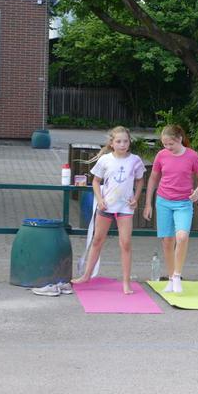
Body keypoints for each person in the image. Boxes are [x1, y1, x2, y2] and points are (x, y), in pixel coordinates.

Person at [70, 126, 145, 294]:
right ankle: (86, 275)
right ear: (112, 143)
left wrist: (136, 198)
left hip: (125, 207)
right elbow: (96, 181)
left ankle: (126, 282)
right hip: (106, 206)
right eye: (118, 141)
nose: (122, 144)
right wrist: (100, 199)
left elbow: (140, 180)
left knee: (125, 243)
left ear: (129, 142)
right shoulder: (105, 160)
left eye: (125, 141)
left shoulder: (135, 160)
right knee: (97, 240)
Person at [142, 125, 198, 293]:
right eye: (164, 144)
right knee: (167, 241)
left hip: (183, 203)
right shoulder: (161, 155)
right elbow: (153, 178)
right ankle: (170, 278)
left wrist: (197, 192)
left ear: (179, 139)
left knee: (182, 237)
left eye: (170, 144)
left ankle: (177, 275)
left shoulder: (192, 156)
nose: (167, 147)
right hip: (163, 201)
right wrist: (148, 203)